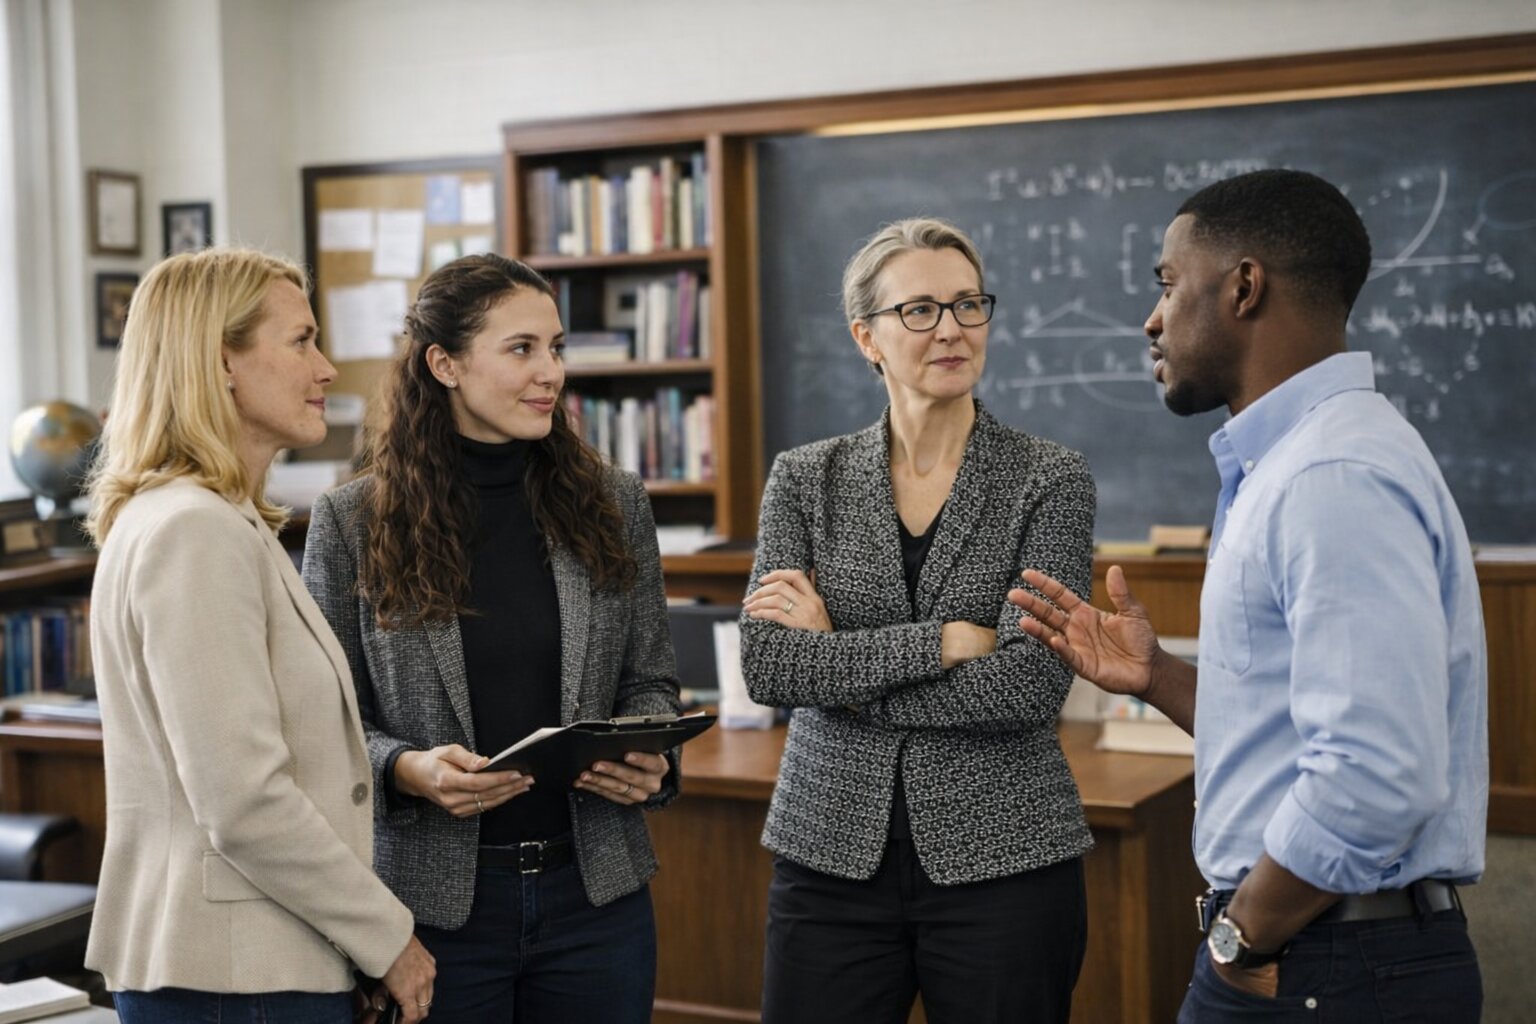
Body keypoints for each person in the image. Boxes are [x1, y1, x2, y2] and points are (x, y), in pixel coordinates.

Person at [1013, 169, 1487, 1022]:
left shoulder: (1332, 474)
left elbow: (1376, 773)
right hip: (1325, 953)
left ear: (1243, 286)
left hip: (1325, 961)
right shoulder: (1299, 461)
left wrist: (1243, 940)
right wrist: (1159, 678)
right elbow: (1308, 731)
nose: (1152, 320)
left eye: (1167, 284)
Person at [302, 253, 681, 1023]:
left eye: (556, 348)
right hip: (432, 913)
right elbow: (324, 724)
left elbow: (651, 681)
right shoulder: (352, 523)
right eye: (521, 349)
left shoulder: (614, 503)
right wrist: (407, 769)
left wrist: (651, 756)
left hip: (596, 899)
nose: (550, 373)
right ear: (444, 363)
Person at [740, 217, 1097, 1024]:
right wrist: (939, 642)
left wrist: (836, 657)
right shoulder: (805, 478)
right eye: (921, 310)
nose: (952, 329)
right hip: (828, 852)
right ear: (867, 337)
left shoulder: (1049, 478)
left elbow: (1029, 687)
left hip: (1005, 857)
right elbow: (769, 668)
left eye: (970, 305)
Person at [83, 248, 436, 1023]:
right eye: (301, 340)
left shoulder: (205, 520)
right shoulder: (194, 533)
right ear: (222, 363)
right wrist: (386, 939)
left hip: (251, 960)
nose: (327, 368)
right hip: (236, 975)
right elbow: (243, 799)